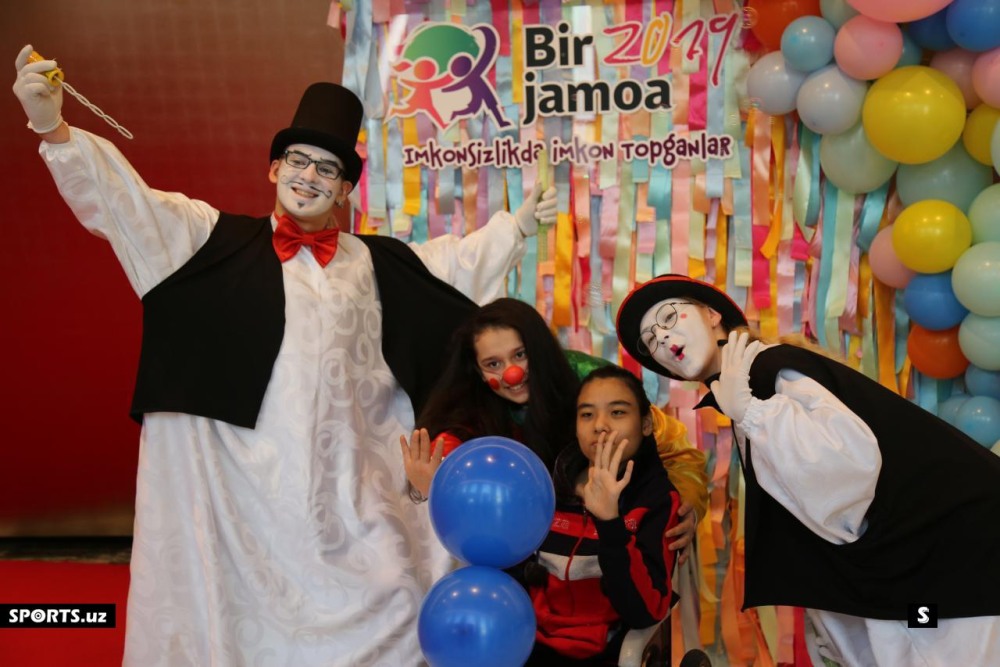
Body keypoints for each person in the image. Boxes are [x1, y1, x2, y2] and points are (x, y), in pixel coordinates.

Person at [12, 44, 557, 667]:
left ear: (345, 189)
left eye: (327, 169)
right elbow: (128, 205)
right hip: (241, 485)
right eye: (298, 161)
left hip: (352, 482)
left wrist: (515, 229)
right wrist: (53, 128)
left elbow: (452, 266)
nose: (309, 177)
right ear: (273, 169)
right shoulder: (205, 240)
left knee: (396, 587)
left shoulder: (379, 262)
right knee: (235, 611)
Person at [616, 273, 1000, 666]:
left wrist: (752, 412)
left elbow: (847, 476)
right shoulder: (746, 385)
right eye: (650, 341)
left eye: (668, 318)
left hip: (955, 563)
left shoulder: (766, 373)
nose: (662, 338)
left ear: (713, 315)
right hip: (930, 571)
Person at [400, 297, 708, 562]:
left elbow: (678, 451)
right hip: (537, 561)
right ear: (478, 372)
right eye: (493, 364)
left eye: (520, 355)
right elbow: (464, 489)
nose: (511, 373)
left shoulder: (591, 384)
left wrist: (685, 506)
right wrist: (437, 489)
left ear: (539, 349)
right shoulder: (469, 411)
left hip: (620, 548)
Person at [524, 365, 680, 665]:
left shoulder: (656, 499)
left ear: (646, 424)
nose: (600, 425)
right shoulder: (548, 487)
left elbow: (646, 611)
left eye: (617, 412)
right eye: (587, 414)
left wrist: (611, 524)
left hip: (606, 652)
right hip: (529, 641)